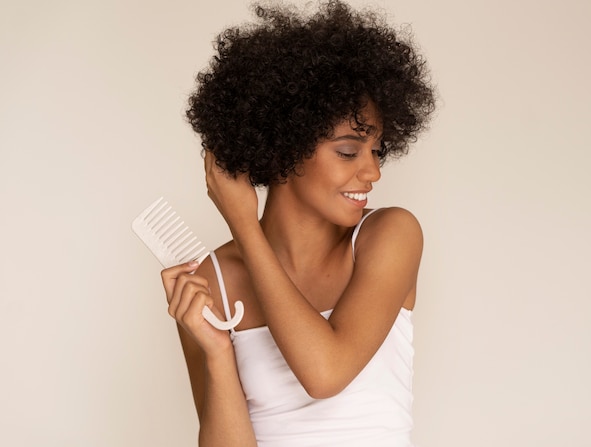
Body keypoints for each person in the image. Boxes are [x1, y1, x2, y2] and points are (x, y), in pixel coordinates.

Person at [160, 1, 436, 445]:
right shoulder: (213, 283)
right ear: (281, 150)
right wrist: (216, 354)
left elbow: (325, 374)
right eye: (349, 151)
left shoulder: (389, 235)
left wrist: (244, 228)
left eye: (376, 151)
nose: (373, 172)